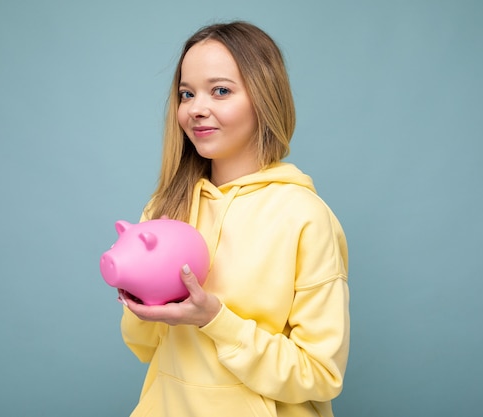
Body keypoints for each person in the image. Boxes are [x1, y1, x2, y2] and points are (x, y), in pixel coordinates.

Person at [117, 21, 349, 417]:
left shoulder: (304, 216)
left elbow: (320, 373)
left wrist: (216, 320)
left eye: (220, 90)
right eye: (186, 94)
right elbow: (144, 346)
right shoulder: (166, 207)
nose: (197, 108)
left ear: (264, 97)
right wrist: (137, 297)